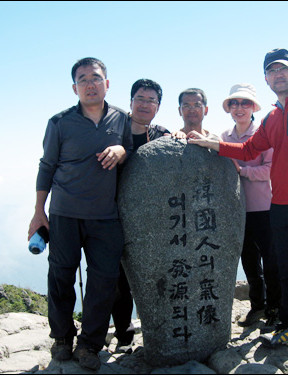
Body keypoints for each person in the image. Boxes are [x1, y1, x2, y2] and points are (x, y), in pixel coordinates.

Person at [187, 48, 288, 374]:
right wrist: (213, 145)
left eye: (284, 70)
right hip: (279, 206)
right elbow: (250, 150)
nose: (279, 75)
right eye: (272, 71)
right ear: (266, 78)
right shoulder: (273, 117)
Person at [28, 57, 133, 371]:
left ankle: (90, 344)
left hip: (106, 216)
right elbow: (46, 167)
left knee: (104, 281)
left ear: (107, 83)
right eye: (83, 79)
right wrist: (38, 212)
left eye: (96, 77)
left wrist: (121, 150)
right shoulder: (59, 122)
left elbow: (129, 148)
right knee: (61, 277)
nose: (90, 83)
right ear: (75, 87)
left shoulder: (121, 119)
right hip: (64, 213)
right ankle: (62, 337)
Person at [111, 78, 170, 354]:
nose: (145, 104)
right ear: (131, 101)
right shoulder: (113, 132)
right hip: (112, 216)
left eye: (151, 100)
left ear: (158, 106)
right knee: (116, 281)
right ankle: (123, 335)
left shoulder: (162, 135)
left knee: (152, 277)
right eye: (140, 98)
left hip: (151, 223)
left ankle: (158, 331)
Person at [220, 83, 281, 329]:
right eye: (234, 103)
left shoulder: (264, 135)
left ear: (254, 107)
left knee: (271, 260)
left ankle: (275, 308)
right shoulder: (224, 137)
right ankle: (258, 306)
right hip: (237, 210)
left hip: (265, 207)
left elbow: (270, 169)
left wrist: (242, 171)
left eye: (245, 103)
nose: (239, 108)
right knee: (249, 262)